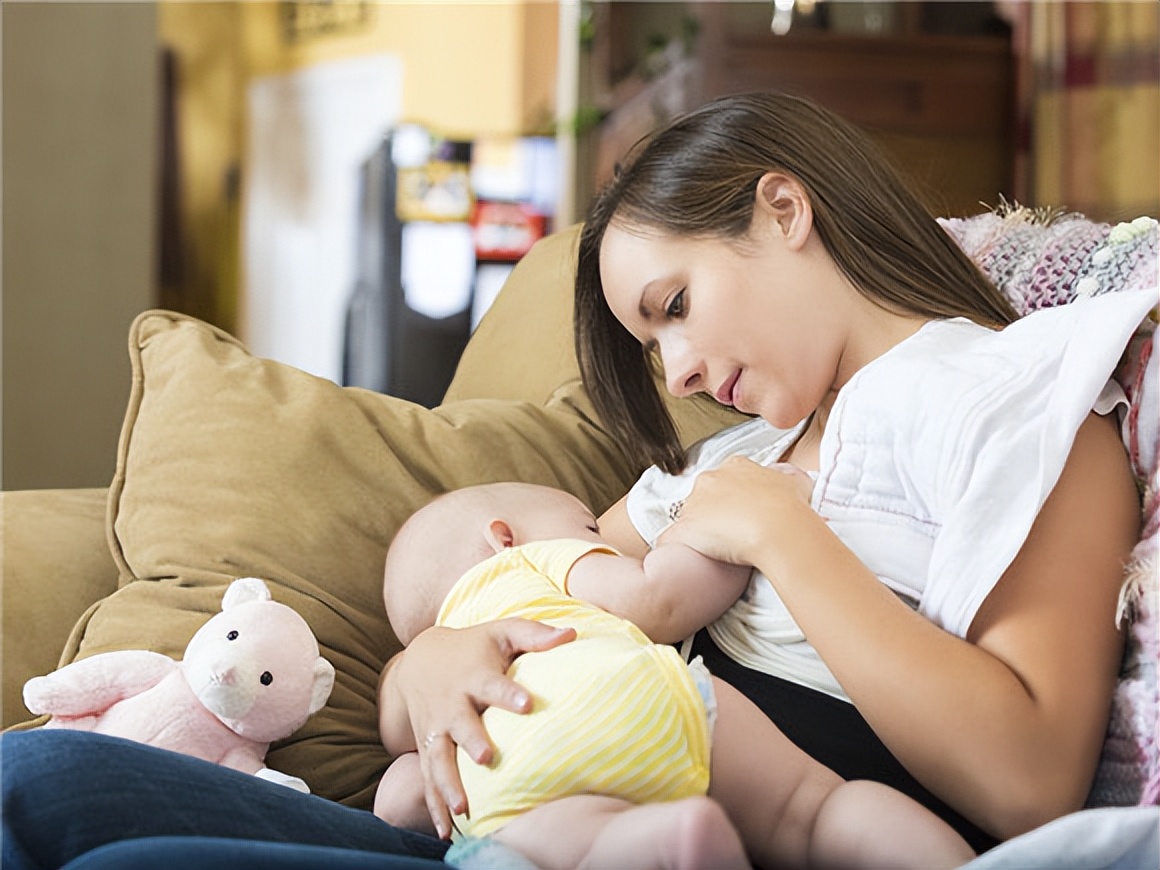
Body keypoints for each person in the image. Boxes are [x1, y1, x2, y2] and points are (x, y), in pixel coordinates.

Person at [381, 90, 1150, 857]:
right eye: (652, 347)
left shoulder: (1022, 400)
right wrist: (429, 661)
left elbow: (1030, 782)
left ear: (784, 210)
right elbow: (513, 575)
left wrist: (782, 534)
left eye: (675, 305)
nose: (676, 376)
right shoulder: (727, 463)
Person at [372, 481, 974, 870]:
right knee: (812, 812)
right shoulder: (531, 561)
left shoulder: (436, 687)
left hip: (510, 783)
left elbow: (404, 785)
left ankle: (666, 844)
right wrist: (722, 530)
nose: (606, 543)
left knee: (566, 845)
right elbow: (657, 598)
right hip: (634, 703)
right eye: (589, 529)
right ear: (503, 536)